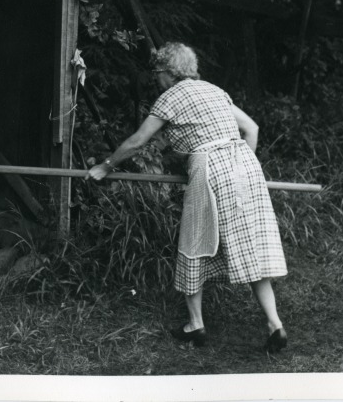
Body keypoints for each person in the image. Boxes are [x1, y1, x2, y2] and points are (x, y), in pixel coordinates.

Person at [88, 42, 288, 353]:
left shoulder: (170, 97)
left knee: (193, 243)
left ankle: (195, 324)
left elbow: (138, 140)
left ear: (168, 72)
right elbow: (252, 129)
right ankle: (275, 323)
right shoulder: (214, 90)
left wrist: (105, 166)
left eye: (157, 72)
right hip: (247, 168)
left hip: (209, 168)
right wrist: (235, 168)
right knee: (250, 245)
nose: (156, 79)